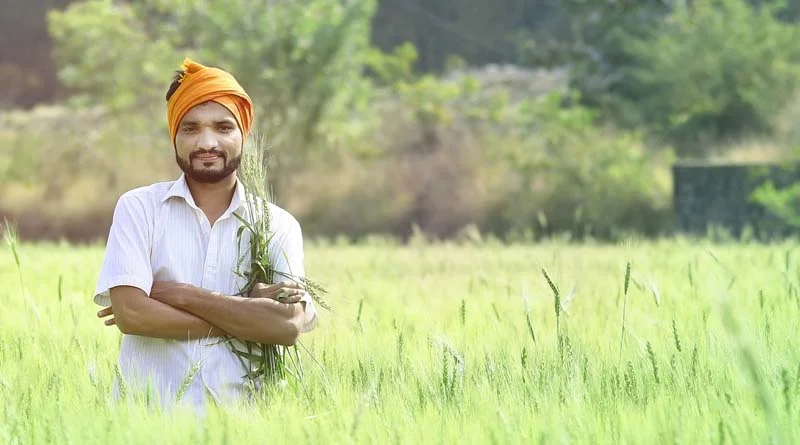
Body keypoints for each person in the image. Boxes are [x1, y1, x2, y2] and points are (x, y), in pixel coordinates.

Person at [93, 57, 317, 410]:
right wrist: (248, 313)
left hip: (241, 424)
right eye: (191, 128)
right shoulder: (139, 209)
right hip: (146, 423)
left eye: (223, 127)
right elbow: (133, 315)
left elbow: (287, 326)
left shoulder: (277, 225)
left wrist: (178, 294)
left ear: (244, 134)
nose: (207, 142)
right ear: (174, 136)